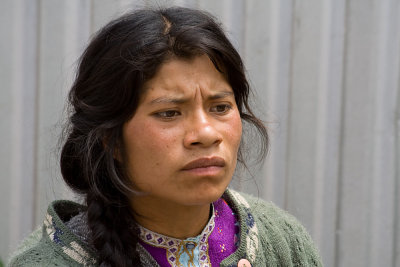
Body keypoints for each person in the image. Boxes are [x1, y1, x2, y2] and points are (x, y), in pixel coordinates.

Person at [8, 6, 322, 267]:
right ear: (110, 139)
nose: (206, 133)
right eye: (169, 113)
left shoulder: (282, 244)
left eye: (220, 107)